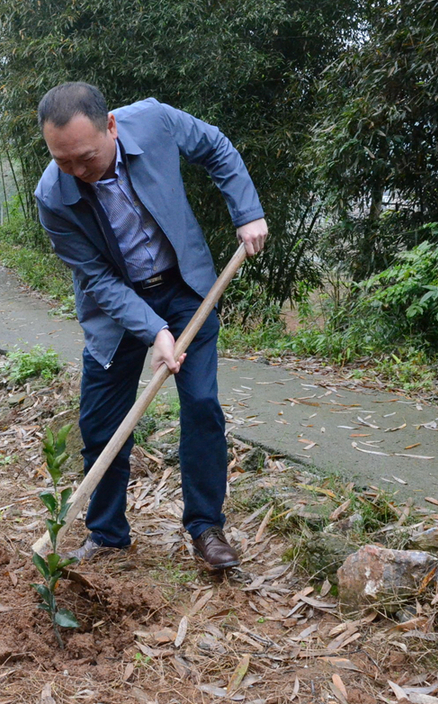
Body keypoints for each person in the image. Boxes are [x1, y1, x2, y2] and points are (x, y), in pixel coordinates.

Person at [33, 82, 268, 570]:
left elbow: (217, 148)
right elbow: (95, 277)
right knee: (101, 421)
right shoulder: (52, 198)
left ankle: (205, 527)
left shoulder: (154, 120)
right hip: (114, 308)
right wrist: (153, 330)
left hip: (184, 285)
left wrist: (247, 212)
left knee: (201, 403)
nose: (77, 171)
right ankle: (107, 534)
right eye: (63, 161)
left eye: (85, 157)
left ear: (112, 126)